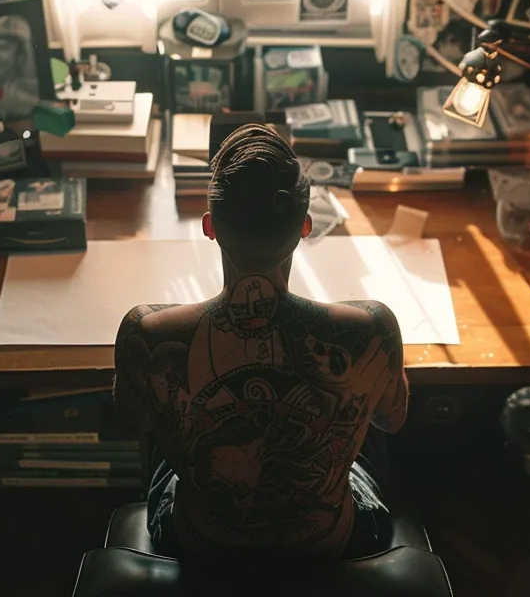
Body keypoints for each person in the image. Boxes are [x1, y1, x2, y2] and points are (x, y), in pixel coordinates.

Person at [112, 124, 411, 561]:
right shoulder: (371, 328)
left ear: (210, 227)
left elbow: (134, 419)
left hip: (199, 544)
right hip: (330, 543)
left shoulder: (147, 331)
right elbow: (392, 420)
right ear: (305, 226)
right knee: (364, 417)